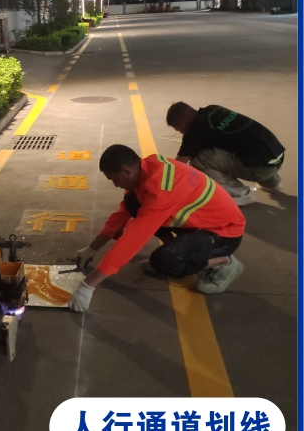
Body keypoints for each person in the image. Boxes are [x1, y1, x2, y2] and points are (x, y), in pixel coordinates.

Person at [68, 145, 245, 312]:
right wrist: (92, 248)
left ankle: (224, 261)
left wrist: (88, 285)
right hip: (198, 223)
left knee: (165, 262)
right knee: (132, 202)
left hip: (224, 234)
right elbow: (121, 215)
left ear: (126, 171)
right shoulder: (147, 170)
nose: (115, 185)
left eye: (113, 179)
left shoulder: (163, 190)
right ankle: (176, 248)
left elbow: (134, 239)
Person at [165, 102, 285, 206]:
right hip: (276, 156)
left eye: (178, 129)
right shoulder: (213, 110)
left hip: (262, 168)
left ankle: (240, 194)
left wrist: (162, 180)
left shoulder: (195, 130)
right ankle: (271, 183)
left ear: (181, 123)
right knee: (244, 147)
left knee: (198, 158)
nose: (181, 133)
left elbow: (179, 165)